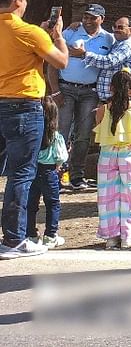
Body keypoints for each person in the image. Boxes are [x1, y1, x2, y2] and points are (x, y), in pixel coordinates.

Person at [0, 0, 69, 259]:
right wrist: (58, 35)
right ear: (18, 1)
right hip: (24, 106)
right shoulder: (29, 32)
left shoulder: (28, 33)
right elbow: (61, 61)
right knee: (21, 173)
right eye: (25, 2)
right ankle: (14, 239)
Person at [71, 16, 131, 190]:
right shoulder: (116, 41)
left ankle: (123, 181)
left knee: (123, 142)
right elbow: (98, 32)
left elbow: (109, 61)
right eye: (115, 26)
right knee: (110, 141)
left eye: (121, 27)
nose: (116, 29)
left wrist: (84, 54)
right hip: (109, 101)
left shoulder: (128, 45)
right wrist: (80, 26)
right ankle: (111, 179)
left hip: (124, 101)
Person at [54, 3, 112, 190]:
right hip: (66, 88)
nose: (87, 20)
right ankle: (57, 175)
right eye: (85, 17)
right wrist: (55, 90)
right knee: (61, 133)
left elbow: (111, 63)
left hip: (90, 91)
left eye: (92, 17)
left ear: (101, 19)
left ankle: (76, 176)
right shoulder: (71, 32)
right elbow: (53, 59)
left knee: (84, 135)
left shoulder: (108, 39)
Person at [94, 69, 131, 248]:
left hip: (107, 155)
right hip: (130, 153)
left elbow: (98, 128)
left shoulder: (102, 110)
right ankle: (128, 236)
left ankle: (111, 236)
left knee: (107, 194)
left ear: (111, 88)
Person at [26, 96, 67, 248]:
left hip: (33, 171)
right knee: (53, 204)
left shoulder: (32, 135)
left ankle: (30, 234)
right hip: (49, 171)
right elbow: (61, 157)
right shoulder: (55, 136)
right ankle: (50, 235)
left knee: (31, 204)